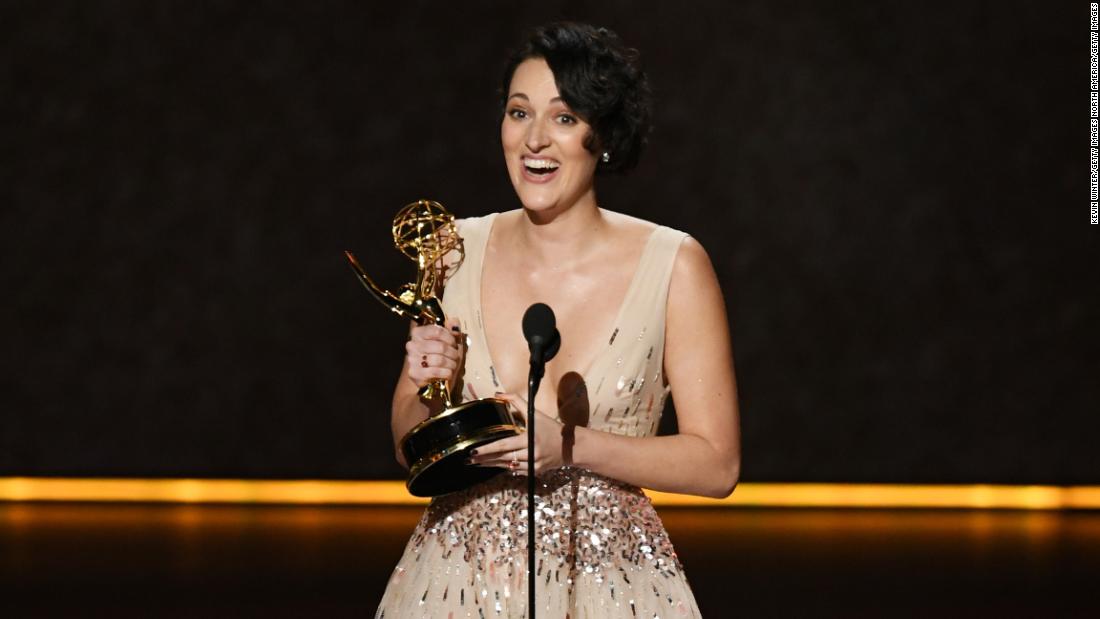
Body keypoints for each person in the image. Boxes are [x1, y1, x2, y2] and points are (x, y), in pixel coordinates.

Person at [376, 22, 740, 618]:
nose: (535, 140)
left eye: (564, 118)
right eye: (519, 113)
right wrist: (422, 384)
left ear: (605, 137)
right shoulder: (452, 251)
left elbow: (717, 464)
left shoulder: (674, 265)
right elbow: (406, 443)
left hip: (611, 587)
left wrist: (569, 446)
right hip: (455, 583)